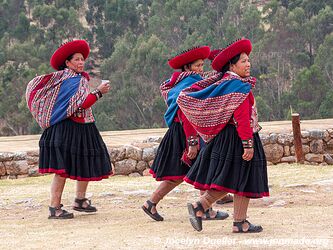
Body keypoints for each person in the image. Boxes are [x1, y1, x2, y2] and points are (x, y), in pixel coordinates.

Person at [177, 38, 269, 232]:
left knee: (230, 179)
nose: (248, 64)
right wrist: (248, 143)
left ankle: (215, 212)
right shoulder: (238, 86)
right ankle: (231, 219)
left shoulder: (226, 83)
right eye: (243, 61)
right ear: (232, 65)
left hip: (228, 138)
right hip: (239, 138)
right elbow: (242, 117)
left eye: (248, 60)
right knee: (242, 179)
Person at [26, 40, 112, 219]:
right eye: (77, 60)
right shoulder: (71, 80)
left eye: (82, 59)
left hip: (83, 127)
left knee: (85, 161)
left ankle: (80, 201)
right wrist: (99, 92)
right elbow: (80, 104)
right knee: (61, 170)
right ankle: (55, 207)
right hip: (67, 128)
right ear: (67, 63)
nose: (81, 62)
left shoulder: (71, 79)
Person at [142, 46, 228, 222]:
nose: (201, 69)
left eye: (202, 65)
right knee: (196, 170)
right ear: (187, 68)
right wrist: (192, 142)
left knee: (184, 173)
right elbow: (185, 113)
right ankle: (204, 209)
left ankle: (152, 203)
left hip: (181, 132)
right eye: (197, 65)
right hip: (185, 133)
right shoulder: (190, 85)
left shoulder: (179, 83)